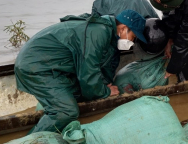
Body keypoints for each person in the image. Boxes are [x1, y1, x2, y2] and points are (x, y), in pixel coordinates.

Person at [15, 10, 147, 134]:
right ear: (123, 28)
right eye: (133, 37)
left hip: (51, 66)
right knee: (66, 111)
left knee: (80, 95)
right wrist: (106, 91)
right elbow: (88, 74)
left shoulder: (107, 32)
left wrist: (102, 86)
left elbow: (100, 67)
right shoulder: (99, 32)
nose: (132, 42)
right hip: (36, 67)